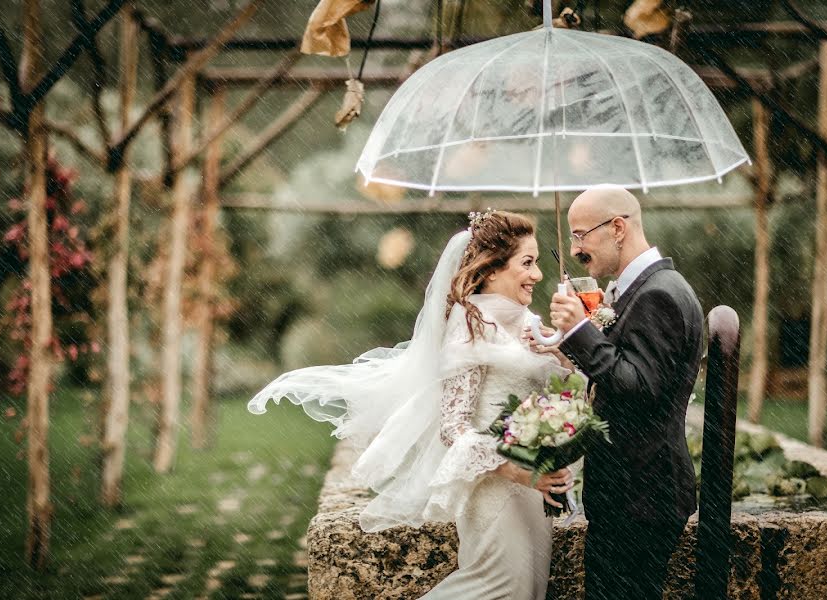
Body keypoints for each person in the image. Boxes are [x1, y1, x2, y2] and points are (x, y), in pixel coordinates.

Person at [249, 211, 575, 600]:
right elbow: (453, 427)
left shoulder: (527, 322)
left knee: (530, 589)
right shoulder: (471, 326)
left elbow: (562, 387)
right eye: (527, 262)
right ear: (490, 270)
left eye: (536, 262)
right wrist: (518, 470)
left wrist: (568, 345)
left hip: (532, 484)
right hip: (496, 484)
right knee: (501, 586)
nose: (538, 274)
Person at [547, 185, 703, 600]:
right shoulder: (641, 289)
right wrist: (568, 342)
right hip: (632, 492)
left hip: (640, 495)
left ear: (617, 228)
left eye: (581, 235)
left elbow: (638, 388)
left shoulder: (659, 294)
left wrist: (581, 330)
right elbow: (621, 373)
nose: (576, 248)